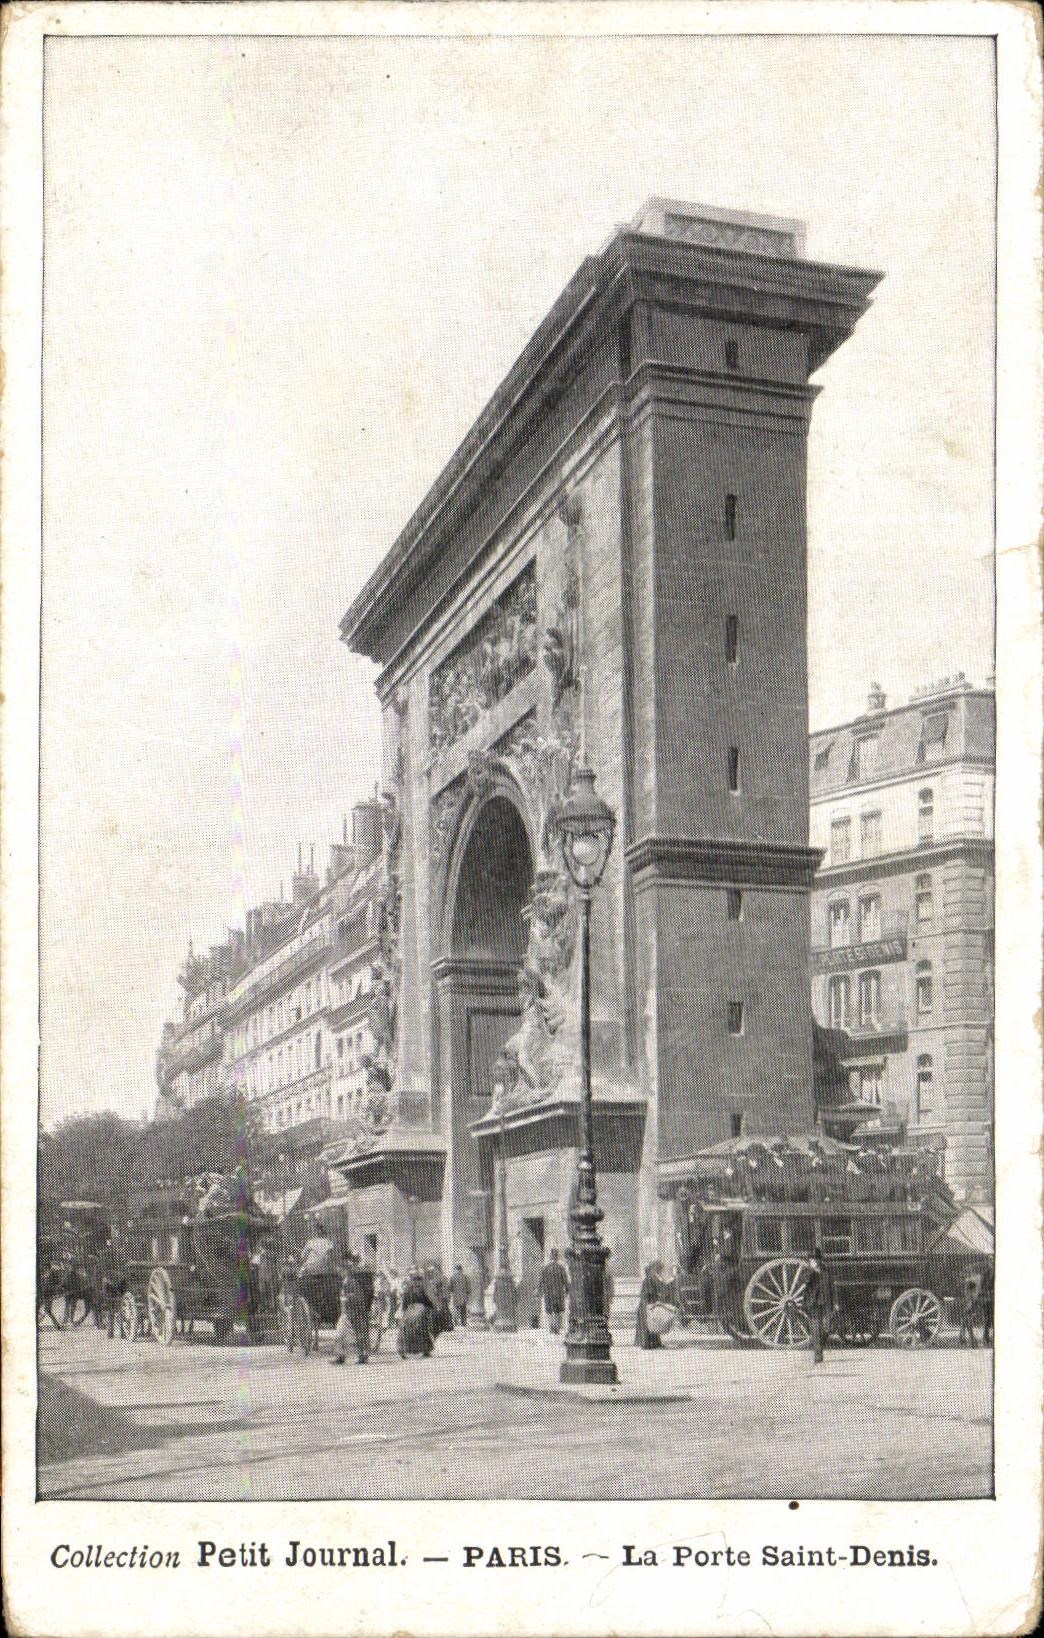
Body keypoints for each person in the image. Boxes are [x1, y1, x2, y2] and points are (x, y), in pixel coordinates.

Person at [332, 1254, 370, 1365]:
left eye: (341, 1270)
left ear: (345, 1271)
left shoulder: (351, 1282)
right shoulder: (345, 1282)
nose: (339, 1272)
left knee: (346, 1334)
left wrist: (346, 1298)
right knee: (342, 1334)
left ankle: (358, 1356)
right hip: (346, 1312)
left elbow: (357, 1297)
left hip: (352, 1312)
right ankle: (342, 1356)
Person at [802, 1247, 833, 1364]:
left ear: (820, 1260)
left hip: (825, 1302)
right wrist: (812, 1271)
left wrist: (834, 1303)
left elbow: (832, 1286)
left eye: (816, 1259)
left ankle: (820, 1347)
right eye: (812, 1259)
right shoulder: (808, 1271)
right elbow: (804, 1282)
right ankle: (818, 1355)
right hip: (812, 1304)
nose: (814, 1261)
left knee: (827, 1328)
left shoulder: (826, 1271)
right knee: (816, 1329)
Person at [397, 1268, 438, 1358]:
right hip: (420, 1308)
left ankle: (403, 1350)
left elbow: (405, 1299)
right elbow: (426, 1298)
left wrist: (404, 1309)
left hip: (410, 1309)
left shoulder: (408, 1287)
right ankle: (425, 1350)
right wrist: (432, 1306)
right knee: (422, 1328)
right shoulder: (421, 1287)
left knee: (406, 1329)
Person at [635, 1260, 672, 1350]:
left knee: (654, 1323)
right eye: (660, 1268)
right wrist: (655, 1300)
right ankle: (647, 1344)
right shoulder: (650, 1278)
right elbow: (648, 1292)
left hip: (649, 1303)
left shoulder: (653, 1277)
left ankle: (654, 1343)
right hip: (647, 1304)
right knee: (649, 1323)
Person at [538, 1248, 569, 1334]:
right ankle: (557, 1328)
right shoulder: (561, 1268)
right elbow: (565, 1281)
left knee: (550, 1310)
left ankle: (552, 1327)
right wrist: (567, 1291)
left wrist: (539, 1291)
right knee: (559, 1310)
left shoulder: (546, 1268)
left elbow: (541, 1281)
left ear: (550, 1257)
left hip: (548, 1292)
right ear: (557, 1257)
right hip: (559, 1292)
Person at [959, 1267, 984, 1347]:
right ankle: (971, 1340)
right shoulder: (975, 1278)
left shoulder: (972, 1279)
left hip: (970, 1300)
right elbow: (971, 1291)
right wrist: (971, 1300)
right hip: (971, 1300)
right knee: (968, 1319)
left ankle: (962, 1337)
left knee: (965, 1318)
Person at [449, 1263, 470, 1329]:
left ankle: (455, 1322)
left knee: (456, 1309)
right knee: (463, 1309)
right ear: (461, 1269)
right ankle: (463, 1323)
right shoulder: (465, 1277)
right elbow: (468, 1288)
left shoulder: (453, 1277)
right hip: (463, 1296)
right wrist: (467, 1294)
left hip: (456, 1296)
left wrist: (452, 1292)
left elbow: (449, 1288)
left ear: (456, 1269)